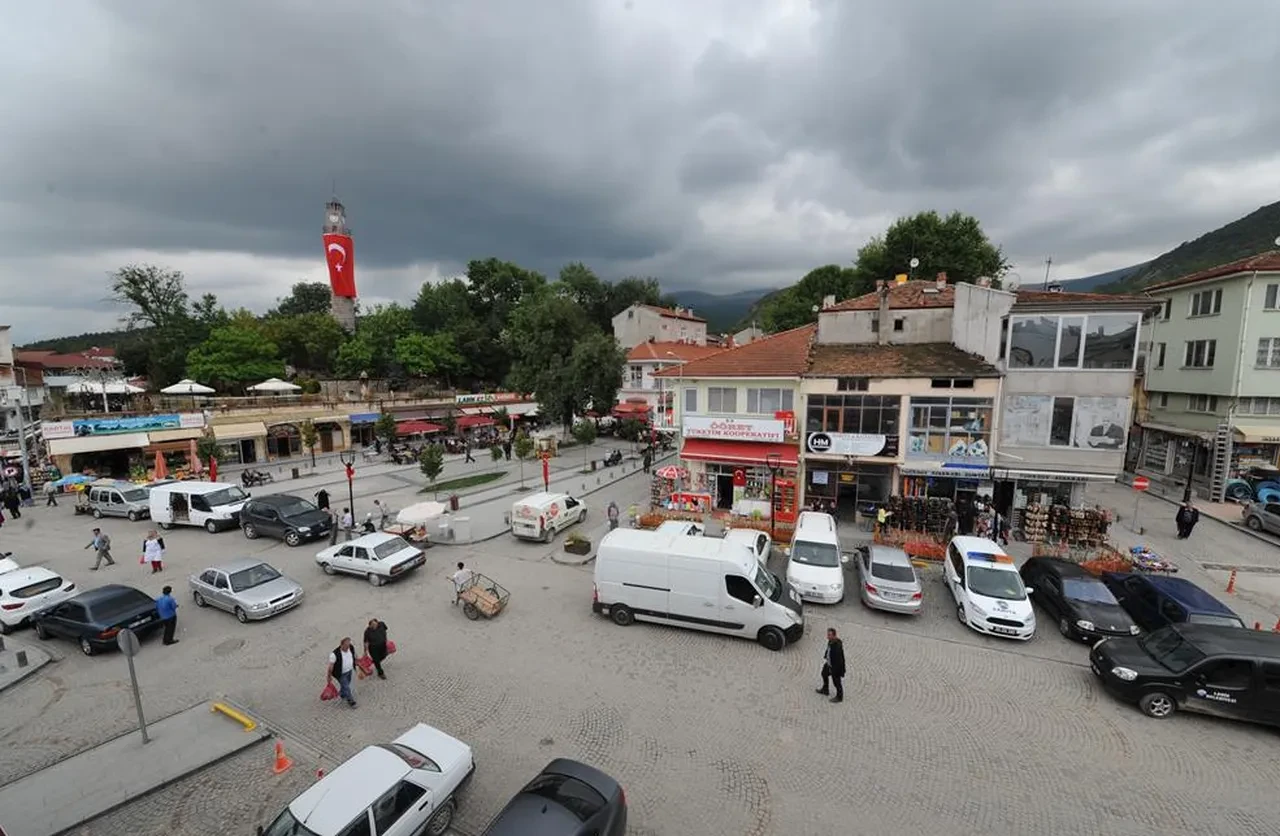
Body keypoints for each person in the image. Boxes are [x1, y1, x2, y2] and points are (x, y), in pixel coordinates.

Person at [816, 627, 846, 703]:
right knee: (824, 674)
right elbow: (829, 649)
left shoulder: (837, 646)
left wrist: (834, 671)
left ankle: (839, 697)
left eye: (829, 635)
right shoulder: (830, 641)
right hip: (829, 664)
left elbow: (839, 661)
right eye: (827, 634)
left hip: (835, 668)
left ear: (834, 635)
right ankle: (825, 689)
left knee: (837, 682)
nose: (827, 636)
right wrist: (826, 655)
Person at [327, 637, 358, 708]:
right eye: (346, 646)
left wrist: (356, 661)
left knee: (346, 684)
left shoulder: (351, 647)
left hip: (349, 671)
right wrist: (329, 677)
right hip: (340, 674)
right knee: (346, 686)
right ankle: (351, 701)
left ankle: (342, 694)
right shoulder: (334, 654)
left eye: (349, 645)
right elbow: (330, 667)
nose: (348, 648)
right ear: (341, 645)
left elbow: (354, 655)